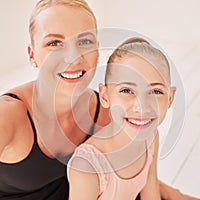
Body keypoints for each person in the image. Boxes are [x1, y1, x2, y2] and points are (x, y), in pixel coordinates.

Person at [0, 0, 199, 199]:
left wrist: (174, 194)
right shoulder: (7, 114)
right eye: (55, 43)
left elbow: (137, 171)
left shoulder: (106, 111)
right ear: (33, 55)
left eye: (85, 42)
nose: (73, 56)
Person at [68, 37, 175, 200]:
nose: (141, 106)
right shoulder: (87, 166)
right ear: (105, 96)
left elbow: (150, 192)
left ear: (170, 98)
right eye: (126, 90)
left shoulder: (151, 137)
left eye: (155, 92)